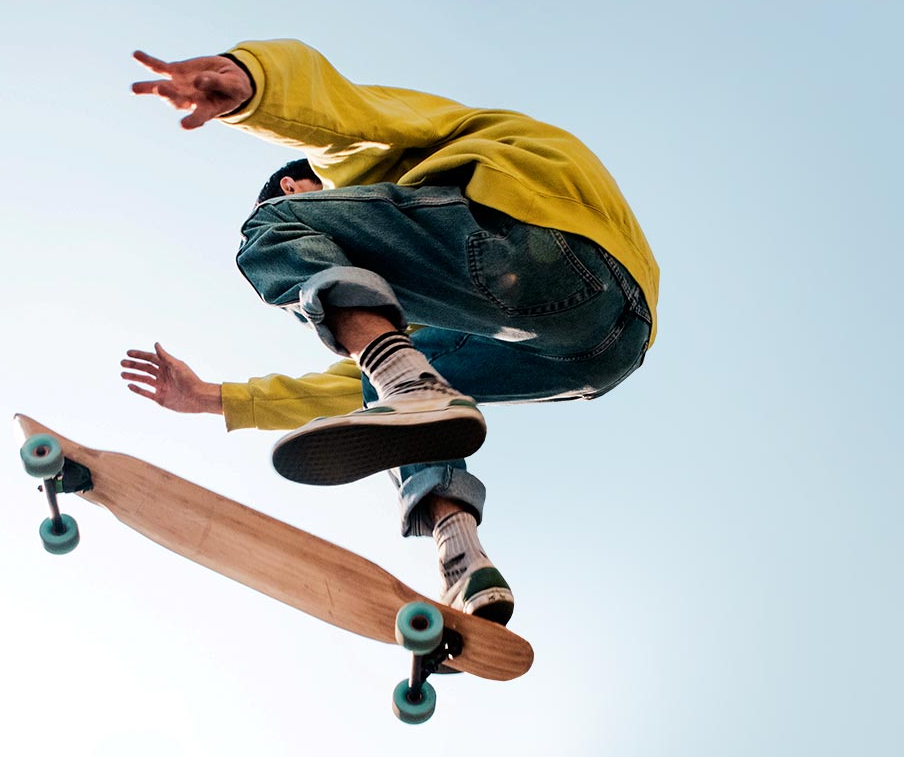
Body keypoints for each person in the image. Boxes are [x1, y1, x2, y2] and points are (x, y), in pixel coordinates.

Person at [122, 40, 659, 626]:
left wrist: (252, 86)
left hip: (535, 238)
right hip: (599, 349)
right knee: (398, 384)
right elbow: (352, 385)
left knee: (268, 235)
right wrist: (212, 399)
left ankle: (410, 390)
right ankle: (462, 558)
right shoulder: (433, 297)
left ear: (302, 185)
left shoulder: (358, 161)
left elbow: (341, 112)